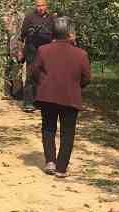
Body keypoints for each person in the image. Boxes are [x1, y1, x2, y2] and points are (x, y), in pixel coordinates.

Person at [32, 16, 91, 178]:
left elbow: (34, 72)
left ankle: (50, 161)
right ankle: (61, 168)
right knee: (68, 132)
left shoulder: (43, 50)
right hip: (70, 98)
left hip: (47, 96)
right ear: (70, 34)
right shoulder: (81, 54)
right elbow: (86, 78)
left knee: (48, 128)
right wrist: (75, 86)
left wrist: (44, 84)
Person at [19, 0, 55, 112]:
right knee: (31, 74)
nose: (40, 8)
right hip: (32, 49)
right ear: (36, 6)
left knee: (45, 75)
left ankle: (42, 101)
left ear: (46, 6)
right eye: (38, 6)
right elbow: (22, 35)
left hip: (47, 50)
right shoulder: (29, 17)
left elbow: (55, 35)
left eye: (42, 5)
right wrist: (21, 50)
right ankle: (28, 103)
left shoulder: (51, 18)